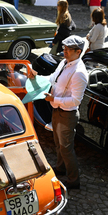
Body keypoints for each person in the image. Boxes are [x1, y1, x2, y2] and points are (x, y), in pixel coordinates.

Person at [30, 36, 89, 189]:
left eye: (68, 50)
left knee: (66, 148)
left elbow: (76, 101)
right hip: (57, 110)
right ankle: (61, 168)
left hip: (67, 114)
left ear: (78, 52)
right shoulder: (65, 63)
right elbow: (52, 79)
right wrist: (37, 76)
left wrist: (54, 99)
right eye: (64, 49)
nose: (65, 52)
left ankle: (73, 180)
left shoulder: (79, 73)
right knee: (58, 143)